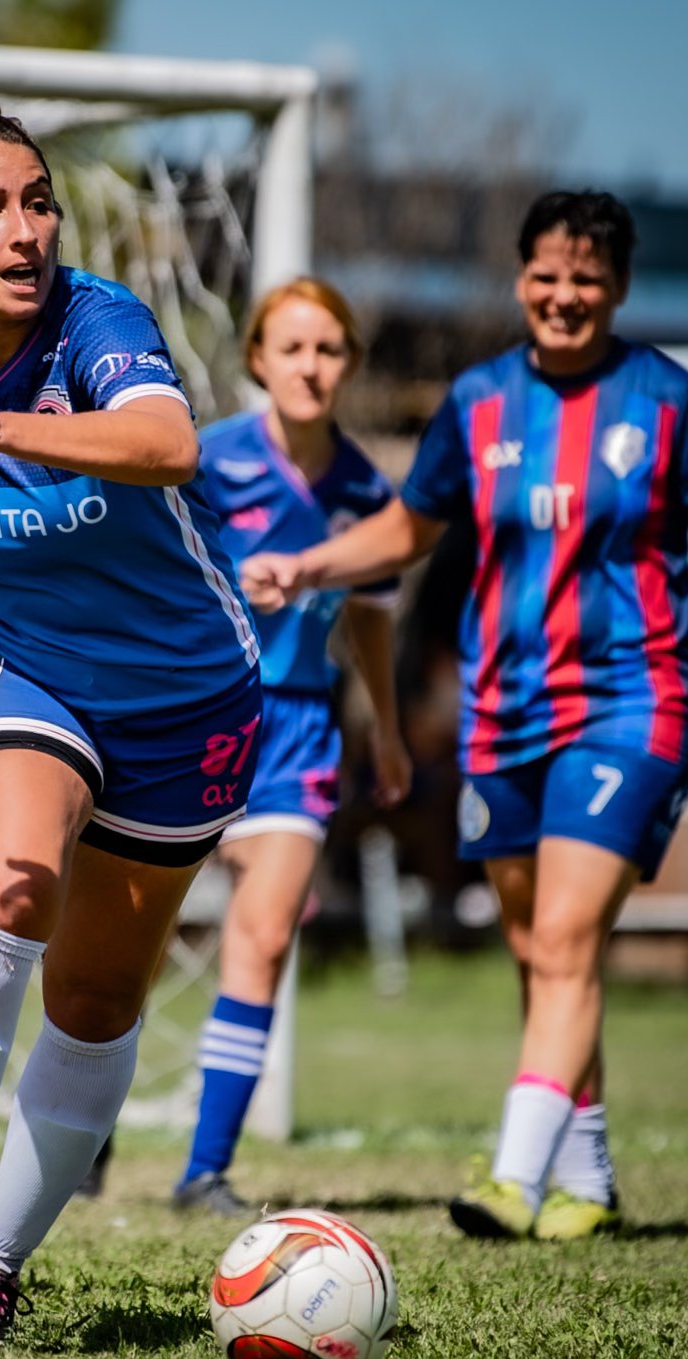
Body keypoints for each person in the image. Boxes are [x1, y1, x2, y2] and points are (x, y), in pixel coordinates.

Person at [243, 190, 688, 1241]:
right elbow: (408, 528)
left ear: (617, 288)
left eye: (587, 277)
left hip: (634, 702)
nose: (565, 295)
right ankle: (589, 1178)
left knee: (566, 934)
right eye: (547, 275)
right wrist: (309, 564)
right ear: (523, 280)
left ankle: (512, 1179)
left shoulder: (666, 399)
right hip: (503, 712)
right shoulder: (478, 402)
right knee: (537, 947)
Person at [0, 79, 262, 1336]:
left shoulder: (100, 321)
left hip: (184, 698)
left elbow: (169, 445)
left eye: (40, 205)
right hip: (4, 652)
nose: (25, 234)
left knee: (92, 1001)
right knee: (10, 884)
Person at [170, 277, 411, 1215]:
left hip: (302, 725)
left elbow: (375, 621)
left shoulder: (366, 491)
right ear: (259, 361)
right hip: (191, 719)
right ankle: (93, 1126)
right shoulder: (204, 461)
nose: (311, 365)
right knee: (129, 940)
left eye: (329, 349)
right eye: (292, 347)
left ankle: (204, 1173)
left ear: (347, 364)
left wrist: (387, 729)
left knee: (263, 938)